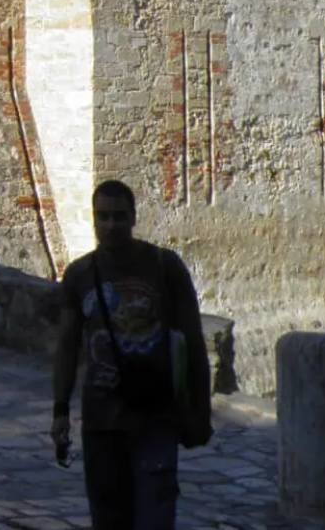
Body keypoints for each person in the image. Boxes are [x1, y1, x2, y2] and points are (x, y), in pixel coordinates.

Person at [50, 179, 213, 530]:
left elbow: (193, 342)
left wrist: (200, 411)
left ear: (134, 218)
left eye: (119, 216)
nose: (110, 225)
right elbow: (67, 344)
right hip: (100, 421)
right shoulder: (79, 275)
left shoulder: (165, 267)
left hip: (155, 415)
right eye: (103, 217)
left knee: (155, 519)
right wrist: (60, 409)